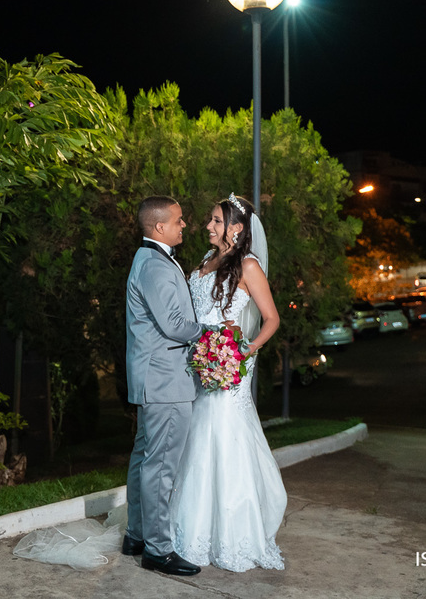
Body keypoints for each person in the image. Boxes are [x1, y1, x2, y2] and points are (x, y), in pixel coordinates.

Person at [170, 193, 287, 572]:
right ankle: (189, 529)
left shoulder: (249, 266)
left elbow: (271, 319)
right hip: (199, 362)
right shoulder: (207, 261)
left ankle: (231, 536)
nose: (208, 226)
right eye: (211, 220)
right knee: (195, 440)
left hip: (229, 365)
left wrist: (242, 351)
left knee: (220, 438)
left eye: (217, 221)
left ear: (236, 228)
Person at [121, 195, 210, 577]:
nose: (184, 225)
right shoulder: (155, 265)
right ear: (159, 227)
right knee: (160, 468)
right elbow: (175, 325)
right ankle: (158, 550)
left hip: (153, 378)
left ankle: (137, 536)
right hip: (166, 381)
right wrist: (211, 332)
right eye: (178, 220)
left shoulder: (151, 259)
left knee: (144, 459)